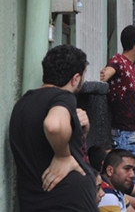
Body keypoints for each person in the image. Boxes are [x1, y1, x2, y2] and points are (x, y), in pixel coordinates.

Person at [9, 44, 98, 212]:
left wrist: (80, 133)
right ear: (75, 78)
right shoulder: (63, 97)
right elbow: (54, 126)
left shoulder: (23, 103)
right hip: (66, 204)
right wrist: (63, 156)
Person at [99, 25, 135, 185]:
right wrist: (105, 74)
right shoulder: (119, 61)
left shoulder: (133, 66)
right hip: (126, 135)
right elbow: (108, 72)